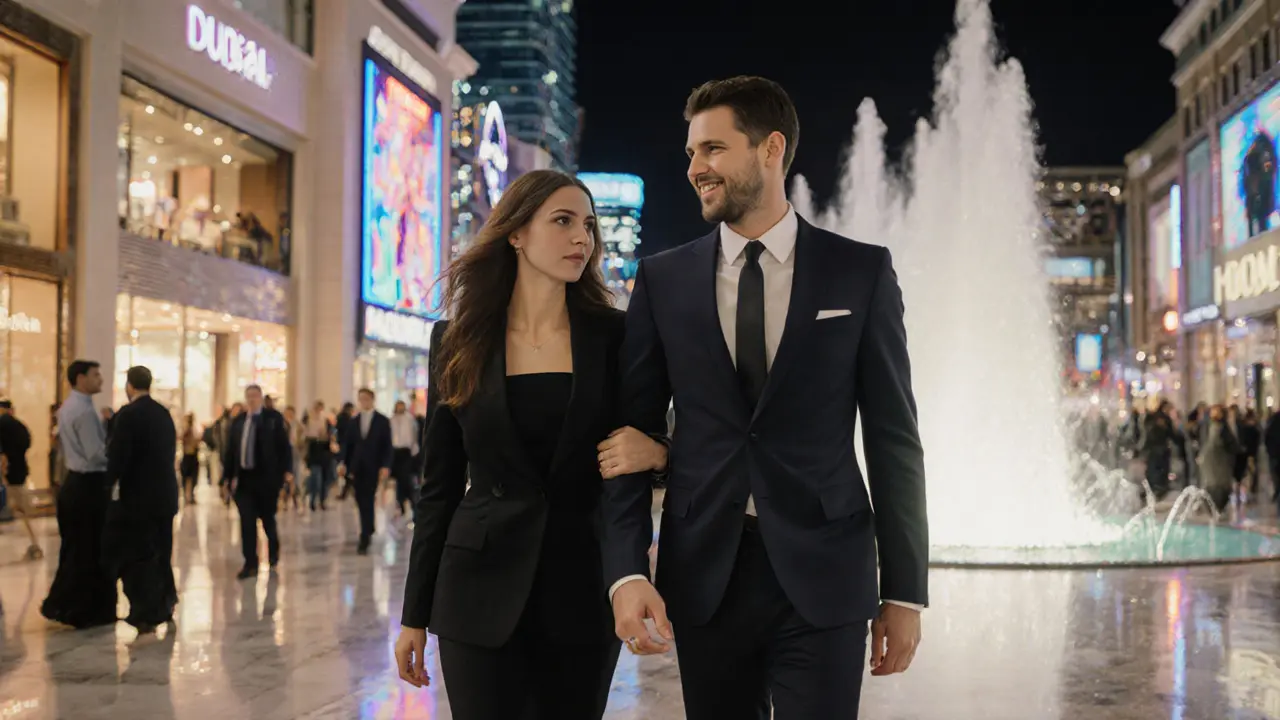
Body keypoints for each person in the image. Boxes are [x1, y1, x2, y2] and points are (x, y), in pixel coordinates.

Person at [600, 77, 929, 720]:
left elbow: (894, 439)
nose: (695, 168)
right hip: (705, 576)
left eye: (714, 149)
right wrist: (627, 572)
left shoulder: (859, 271)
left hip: (828, 574)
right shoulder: (663, 280)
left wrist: (904, 592)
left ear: (771, 149)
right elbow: (627, 439)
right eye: (691, 152)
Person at [393, 170, 668, 718]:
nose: (581, 237)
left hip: (581, 589)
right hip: (476, 594)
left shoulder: (615, 336)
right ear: (515, 233)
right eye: (563, 221)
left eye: (588, 225)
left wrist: (662, 454)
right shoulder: (457, 340)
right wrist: (413, 616)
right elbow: (438, 490)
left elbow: (645, 445)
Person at [41, 360, 117, 628]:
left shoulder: (68, 407)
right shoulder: (84, 412)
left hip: (74, 483)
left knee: (76, 547)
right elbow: (95, 454)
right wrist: (119, 458)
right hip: (89, 486)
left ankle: (69, 605)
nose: (100, 380)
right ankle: (84, 610)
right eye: (96, 375)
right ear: (81, 378)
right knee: (91, 548)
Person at [105, 366, 179, 632]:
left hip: (139, 498)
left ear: (129, 385)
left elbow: (119, 457)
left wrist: (106, 485)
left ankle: (148, 610)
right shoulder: (163, 413)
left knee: (141, 554)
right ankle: (167, 599)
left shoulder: (128, 415)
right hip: (165, 495)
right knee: (163, 550)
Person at [224, 384, 293, 579]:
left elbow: (284, 447)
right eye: (249, 396)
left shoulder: (273, 419)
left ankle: (273, 555)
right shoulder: (239, 422)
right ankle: (250, 563)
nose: (252, 399)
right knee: (247, 522)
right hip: (244, 481)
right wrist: (226, 478)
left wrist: (287, 471)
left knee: (267, 520)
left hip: (266, 480)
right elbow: (231, 451)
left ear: (261, 398)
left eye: (255, 396)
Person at [338, 389, 392, 555]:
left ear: (372, 400)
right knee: (360, 499)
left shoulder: (382, 421)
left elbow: (387, 446)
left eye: (366, 398)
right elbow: (347, 444)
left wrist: (385, 465)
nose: (364, 402)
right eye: (361, 399)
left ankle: (365, 533)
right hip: (356, 467)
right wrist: (343, 463)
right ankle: (368, 528)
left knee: (368, 497)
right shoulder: (354, 421)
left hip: (373, 466)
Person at [0, 400, 41, 559]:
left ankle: (34, 545)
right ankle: (34, 543)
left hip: (8, 472)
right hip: (18, 469)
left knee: (19, 506)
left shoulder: (2, 424)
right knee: (21, 508)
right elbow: (28, 442)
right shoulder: (19, 426)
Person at [389, 400, 420, 518]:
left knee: (406, 478)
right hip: (395, 452)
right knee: (399, 480)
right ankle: (401, 502)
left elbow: (414, 436)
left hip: (406, 453)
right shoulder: (391, 420)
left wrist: (414, 453)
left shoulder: (410, 420)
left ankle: (412, 503)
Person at [303, 401, 335, 511]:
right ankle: (312, 500)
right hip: (313, 452)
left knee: (325, 479)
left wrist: (326, 436)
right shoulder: (308, 421)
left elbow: (331, 436)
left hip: (324, 452)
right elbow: (304, 437)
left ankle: (322, 500)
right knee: (316, 478)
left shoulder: (325, 421)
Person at [180, 413, 200, 505]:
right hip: (188, 456)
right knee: (187, 477)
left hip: (193, 456)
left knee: (192, 477)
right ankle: (187, 496)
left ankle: (190, 495)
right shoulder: (186, 431)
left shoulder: (194, 430)